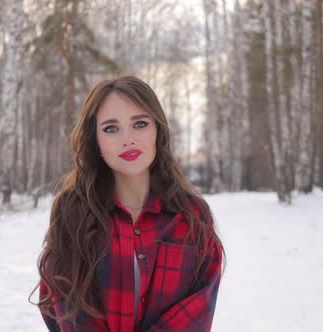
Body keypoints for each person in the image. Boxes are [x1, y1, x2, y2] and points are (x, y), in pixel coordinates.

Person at [31, 76, 225, 331]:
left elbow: (198, 311)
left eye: (140, 124)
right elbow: (62, 305)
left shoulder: (191, 215)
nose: (128, 139)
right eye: (111, 128)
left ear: (158, 130)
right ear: (95, 140)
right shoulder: (73, 212)